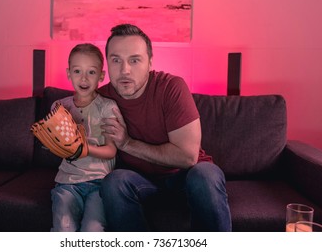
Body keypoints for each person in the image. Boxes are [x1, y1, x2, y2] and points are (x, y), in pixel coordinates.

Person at [98, 24, 232, 231]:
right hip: (139, 180)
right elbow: (70, 117)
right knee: (114, 182)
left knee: (206, 175)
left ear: (150, 62)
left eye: (134, 60)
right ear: (107, 63)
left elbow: (187, 157)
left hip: (186, 176)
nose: (125, 70)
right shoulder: (102, 98)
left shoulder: (171, 88)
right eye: (116, 60)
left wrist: (127, 143)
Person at [50, 43, 120, 232]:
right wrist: (53, 143)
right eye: (77, 71)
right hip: (67, 182)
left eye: (91, 72)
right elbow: (57, 146)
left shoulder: (107, 107)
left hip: (99, 183)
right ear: (68, 73)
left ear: (101, 76)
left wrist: (86, 149)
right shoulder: (59, 107)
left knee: (93, 229)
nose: (83, 78)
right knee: (63, 227)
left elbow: (111, 150)